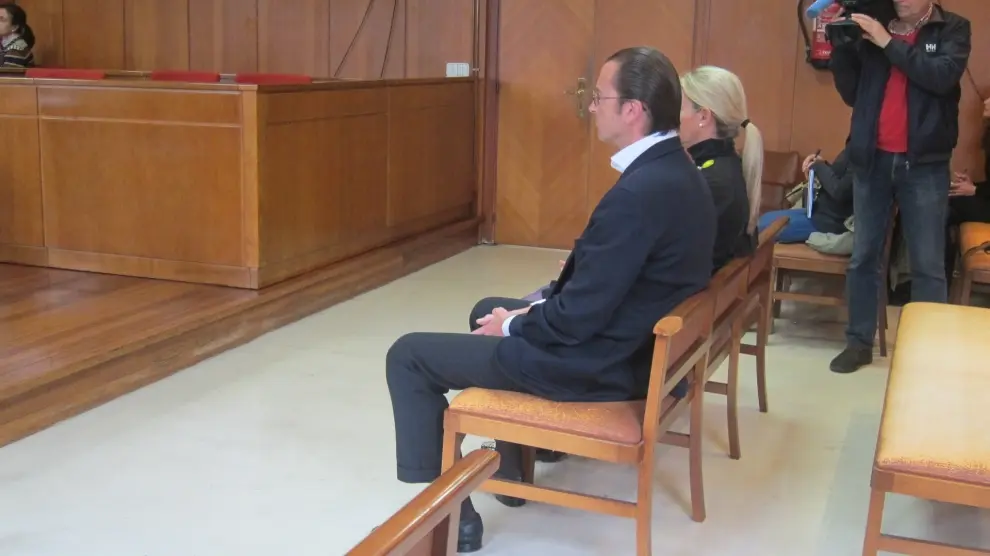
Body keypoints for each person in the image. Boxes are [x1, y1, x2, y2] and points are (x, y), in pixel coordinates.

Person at [384, 46, 716, 553]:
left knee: (408, 356)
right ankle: (515, 469)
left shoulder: (640, 193)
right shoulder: (681, 171)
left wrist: (514, 324)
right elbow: (604, 294)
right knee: (487, 308)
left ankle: (451, 518)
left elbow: (577, 318)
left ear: (633, 110)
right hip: (640, 352)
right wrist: (520, 313)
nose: (591, 107)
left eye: (600, 97)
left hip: (597, 364)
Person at [827, 0, 971, 374]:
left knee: (927, 264)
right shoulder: (877, 22)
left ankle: (926, 353)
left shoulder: (952, 28)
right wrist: (842, 47)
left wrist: (887, 42)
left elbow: (940, 77)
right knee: (863, 258)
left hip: (925, 164)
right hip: (872, 160)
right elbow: (853, 94)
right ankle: (859, 342)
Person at [679, 65, 763, 269]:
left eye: (679, 107)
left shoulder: (714, 183)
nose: (671, 117)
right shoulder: (725, 165)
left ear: (703, 116)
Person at [757, 148, 854, 243]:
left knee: (762, 227)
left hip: (826, 222)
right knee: (764, 219)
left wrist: (819, 166)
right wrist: (822, 165)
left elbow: (840, 191)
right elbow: (841, 177)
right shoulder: (853, 145)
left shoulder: (860, 149)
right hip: (816, 211)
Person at [0, 3, 35, 68]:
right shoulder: (5, 44)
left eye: (2, 19)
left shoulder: (16, 48)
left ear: (15, 27)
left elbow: (7, 73)